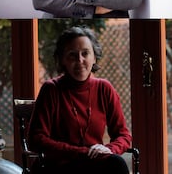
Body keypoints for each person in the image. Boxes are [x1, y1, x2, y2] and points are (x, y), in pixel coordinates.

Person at [28, 26, 132, 174]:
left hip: (94, 162)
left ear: (94, 57)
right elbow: (36, 139)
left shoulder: (104, 88)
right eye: (72, 55)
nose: (80, 60)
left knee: (116, 163)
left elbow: (123, 135)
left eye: (85, 53)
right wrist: (82, 152)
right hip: (58, 165)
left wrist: (108, 149)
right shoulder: (51, 89)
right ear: (62, 60)